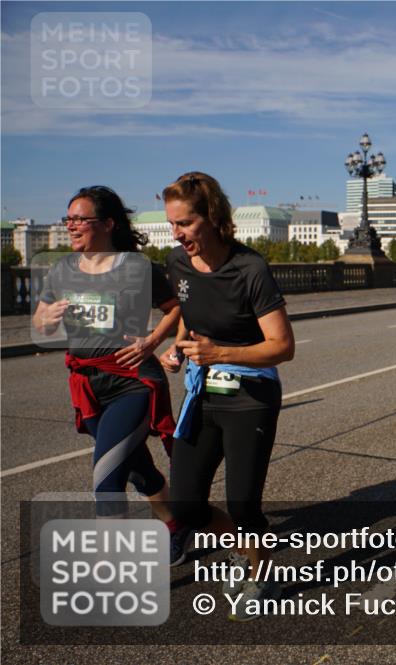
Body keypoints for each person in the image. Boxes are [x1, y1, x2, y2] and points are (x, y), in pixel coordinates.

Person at [159, 172, 295, 621]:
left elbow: (282, 346)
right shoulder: (177, 263)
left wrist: (221, 351)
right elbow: (189, 313)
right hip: (204, 391)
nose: (177, 234)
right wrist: (179, 346)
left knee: (242, 501)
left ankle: (257, 567)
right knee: (184, 504)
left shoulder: (250, 268)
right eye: (172, 225)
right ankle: (244, 542)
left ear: (213, 218)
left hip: (251, 393)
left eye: (185, 224)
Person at [32, 186, 189, 562]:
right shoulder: (62, 269)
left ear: (106, 223)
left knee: (107, 476)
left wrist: (152, 342)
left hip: (131, 383)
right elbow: (40, 322)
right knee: (137, 469)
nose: (71, 226)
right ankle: (175, 525)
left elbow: (177, 308)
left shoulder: (137, 268)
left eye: (79, 219)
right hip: (88, 384)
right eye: (68, 219)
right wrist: (46, 319)